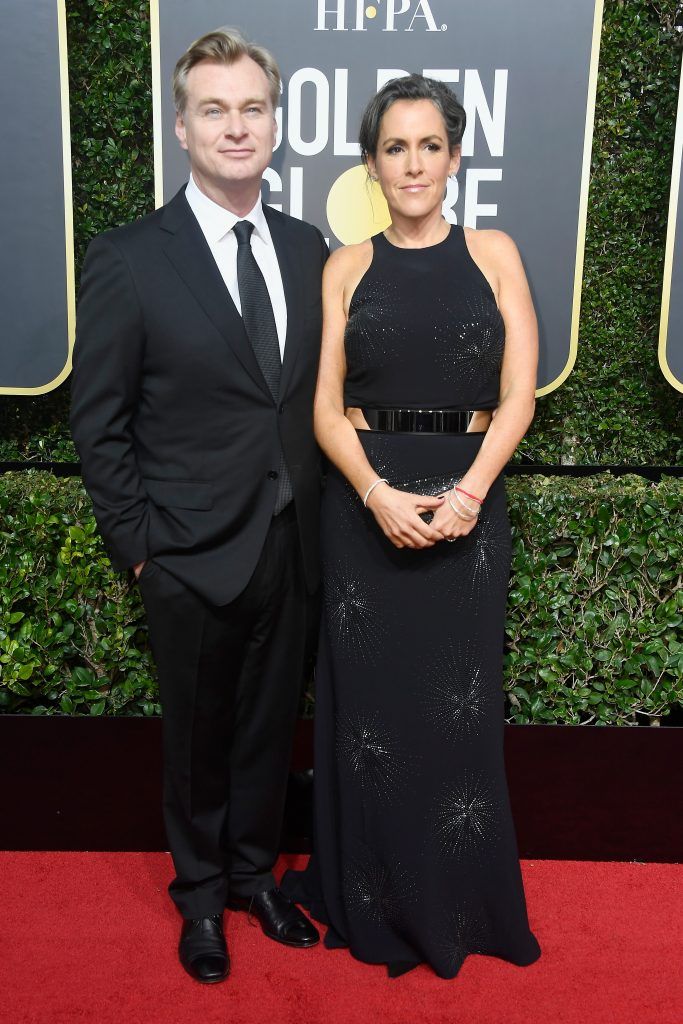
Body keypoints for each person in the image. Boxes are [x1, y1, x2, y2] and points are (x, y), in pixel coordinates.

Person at [70, 27, 326, 984]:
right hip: (186, 554)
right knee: (196, 742)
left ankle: (255, 877)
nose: (235, 126)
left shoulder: (308, 248)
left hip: (293, 546)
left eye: (251, 108)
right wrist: (142, 550)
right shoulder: (130, 258)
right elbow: (100, 423)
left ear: (273, 124)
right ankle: (200, 900)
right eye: (213, 109)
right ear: (181, 127)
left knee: (267, 729)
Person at [281, 73, 542, 978]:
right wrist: (374, 494)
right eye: (395, 147)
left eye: (429, 144)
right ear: (371, 165)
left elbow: (516, 399)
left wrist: (467, 493)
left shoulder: (496, 253)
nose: (413, 162)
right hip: (366, 511)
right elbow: (322, 410)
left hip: (470, 504)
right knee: (373, 722)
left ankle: (462, 901)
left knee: (456, 718)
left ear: (455, 156)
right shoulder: (345, 266)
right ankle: (372, 895)